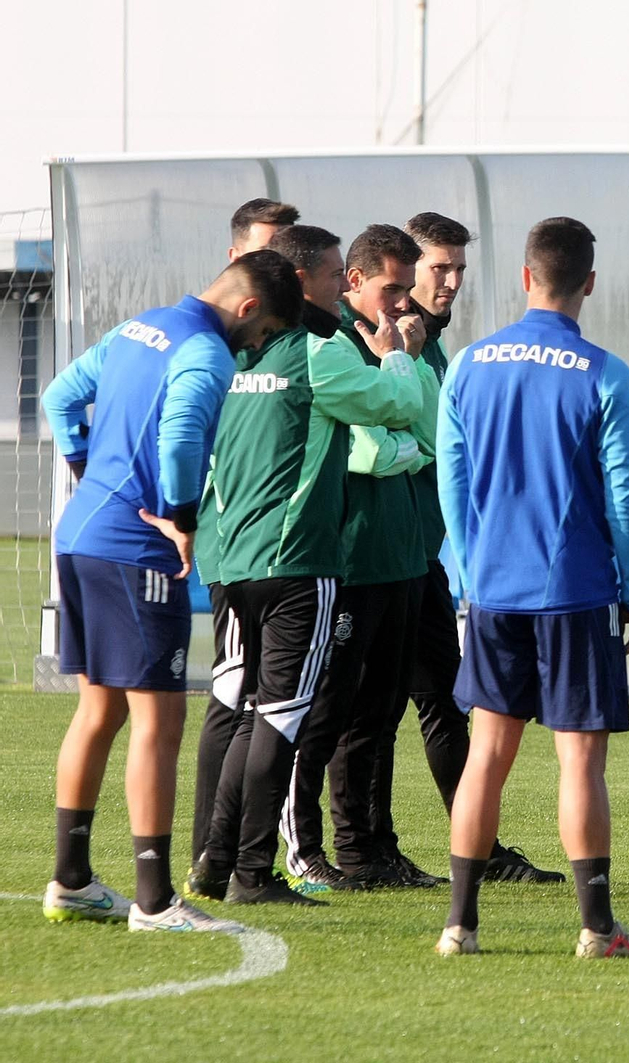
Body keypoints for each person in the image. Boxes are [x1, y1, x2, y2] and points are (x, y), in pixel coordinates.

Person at [41, 251, 301, 932]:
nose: (256, 347)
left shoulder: (140, 325)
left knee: (99, 709)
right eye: (263, 333)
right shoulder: (206, 352)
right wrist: (182, 518)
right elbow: (182, 435)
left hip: (81, 534)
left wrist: (87, 468)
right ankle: (155, 901)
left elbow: (60, 396)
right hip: (135, 549)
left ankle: (72, 879)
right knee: (160, 721)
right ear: (249, 309)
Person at [434, 216, 629, 959]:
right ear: (589, 282)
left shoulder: (468, 364)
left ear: (526, 277)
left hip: (493, 590)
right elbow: (626, 495)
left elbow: (452, 485)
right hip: (575, 590)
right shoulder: (605, 372)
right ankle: (596, 928)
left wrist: (470, 575)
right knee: (580, 762)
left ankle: (459, 925)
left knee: (486, 755)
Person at [187, 224, 426, 905]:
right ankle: (252, 873)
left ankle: (214, 857)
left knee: (239, 709)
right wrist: (397, 358)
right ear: (301, 283)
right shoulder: (315, 355)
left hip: (230, 561)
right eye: (331, 276)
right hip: (296, 563)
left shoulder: (230, 360)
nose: (340, 289)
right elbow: (399, 404)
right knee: (281, 717)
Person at [388, 211, 562, 885]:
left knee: (442, 701)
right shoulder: (379, 340)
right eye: (440, 268)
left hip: (422, 558)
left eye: (460, 268)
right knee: (362, 711)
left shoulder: (438, 349)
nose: (453, 282)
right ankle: (345, 850)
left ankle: (478, 850)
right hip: (375, 560)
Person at [279, 223, 437, 888]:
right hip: (348, 555)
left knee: (381, 711)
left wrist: (409, 374)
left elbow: (431, 431)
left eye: (409, 288)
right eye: (392, 288)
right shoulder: (331, 340)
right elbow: (367, 451)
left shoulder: (406, 341)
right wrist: (402, 435)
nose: (404, 302)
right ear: (354, 281)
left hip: (400, 552)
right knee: (326, 709)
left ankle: (367, 849)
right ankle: (303, 845)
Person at [190, 197, 301, 873]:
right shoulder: (212, 348)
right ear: (237, 261)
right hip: (240, 548)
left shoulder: (268, 342)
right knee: (238, 697)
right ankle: (222, 854)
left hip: (242, 548)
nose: (281, 268)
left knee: (246, 697)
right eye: (269, 253)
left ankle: (216, 854)